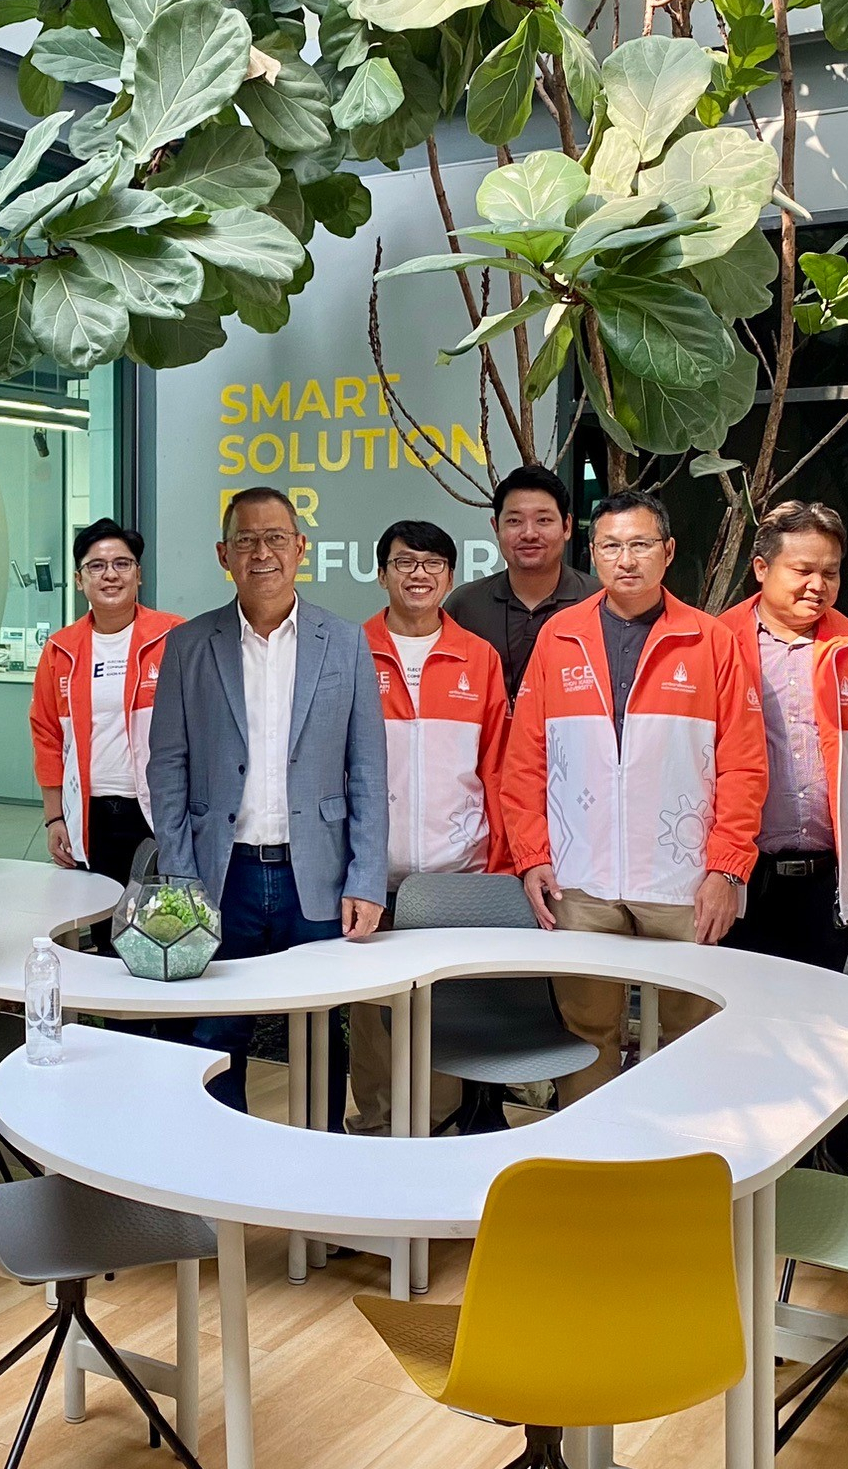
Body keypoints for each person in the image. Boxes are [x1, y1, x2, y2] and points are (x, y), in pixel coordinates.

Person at [501, 488, 765, 1104]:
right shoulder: (560, 636)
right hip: (580, 879)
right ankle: (589, 1149)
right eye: (611, 546)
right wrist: (533, 855)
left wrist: (727, 869)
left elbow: (745, 765)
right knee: (586, 1030)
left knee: (691, 1030)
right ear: (592, 553)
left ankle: (678, 1147)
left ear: (668, 552)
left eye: (641, 544)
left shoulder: (709, 641)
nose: (626, 560)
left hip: (684, 879)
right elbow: (525, 760)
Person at [146, 486, 387, 1121]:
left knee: (319, 1033)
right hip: (222, 876)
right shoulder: (189, 644)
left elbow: (367, 769)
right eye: (246, 541)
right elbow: (167, 768)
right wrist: (180, 876)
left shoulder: (344, 641)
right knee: (214, 1033)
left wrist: (366, 878)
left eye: (276, 538)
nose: (262, 553)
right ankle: (217, 1157)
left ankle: (317, 1156)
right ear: (223, 554)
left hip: (319, 874)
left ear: (301, 547)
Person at [347, 519, 507, 1135]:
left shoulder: (479, 657)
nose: (419, 574)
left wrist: (502, 863)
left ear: (450, 576)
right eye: (405, 562)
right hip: (371, 874)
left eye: (433, 564)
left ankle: (438, 1130)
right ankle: (376, 1127)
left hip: (455, 875)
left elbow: (498, 766)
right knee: (371, 1014)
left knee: (443, 1012)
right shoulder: (350, 650)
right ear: (381, 572)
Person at [718, 502, 848, 972]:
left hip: (830, 877)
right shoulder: (718, 642)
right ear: (761, 568)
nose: (818, 585)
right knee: (740, 1003)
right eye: (803, 571)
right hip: (739, 875)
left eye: (830, 573)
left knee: (826, 1006)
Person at [30, 516, 179, 889]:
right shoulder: (60, 650)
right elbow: (47, 738)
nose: (110, 574)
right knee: (95, 912)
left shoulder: (175, 636)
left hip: (157, 811)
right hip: (89, 814)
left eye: (121, 564)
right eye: (96, 566)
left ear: (138, 575)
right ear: (79, 580)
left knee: (159, 915)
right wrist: (54, 818)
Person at [442, 464, 601, 700]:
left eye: (543, 520)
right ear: (496, 528)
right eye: (514, 521)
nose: (529, 534)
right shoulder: (465, 605)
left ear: (566, 526)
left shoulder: (599, 601)